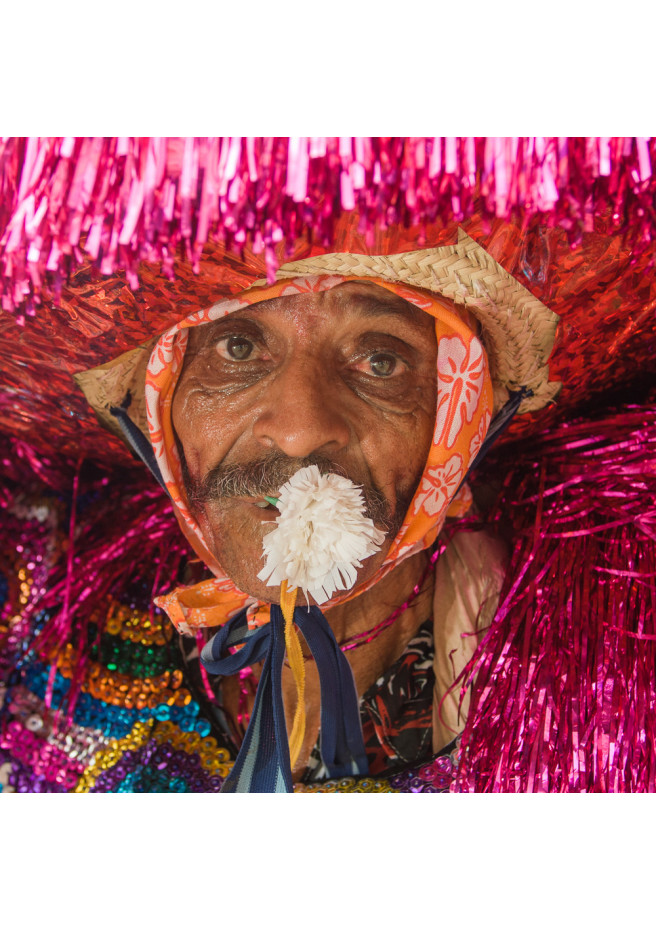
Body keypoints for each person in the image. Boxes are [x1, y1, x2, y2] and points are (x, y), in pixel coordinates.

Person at [76, 230, 559, 791]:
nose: (300, 433)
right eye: (237, 348)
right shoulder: (50, 627)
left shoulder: (568, 666)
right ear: (159, 410)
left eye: (382, 361)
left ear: (459, 421)